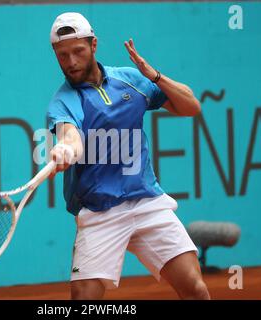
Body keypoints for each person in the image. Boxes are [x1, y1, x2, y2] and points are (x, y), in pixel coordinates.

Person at [46, 12, 210, 300]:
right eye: (62, 55)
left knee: (196, 290)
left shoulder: (131, 80)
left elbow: (191, 107)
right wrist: (65, 149)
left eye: (78, 52)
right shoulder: (64, 99)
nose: (70, 62)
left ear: (94, 45)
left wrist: (154, 76)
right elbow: (69, 135)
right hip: (100, 212)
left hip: (148, 202)